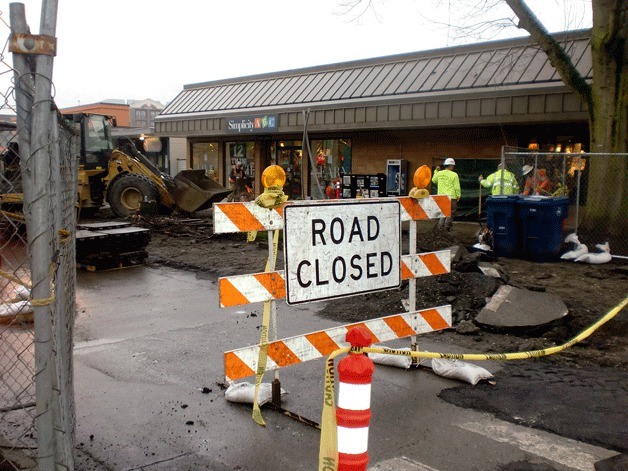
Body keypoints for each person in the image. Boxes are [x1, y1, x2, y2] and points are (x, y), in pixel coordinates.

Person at [432, 157, 460, 231]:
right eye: (453, 166)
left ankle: (440, 229)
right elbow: (456, 186)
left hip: (442, 197)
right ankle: (446, 229)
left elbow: (434, 180)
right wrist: (458, 195)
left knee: (443, 213)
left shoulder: (440, 173)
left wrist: (436, 171)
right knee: (450, 213)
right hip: (452, 197)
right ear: (451, 166)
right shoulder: (454, 175)